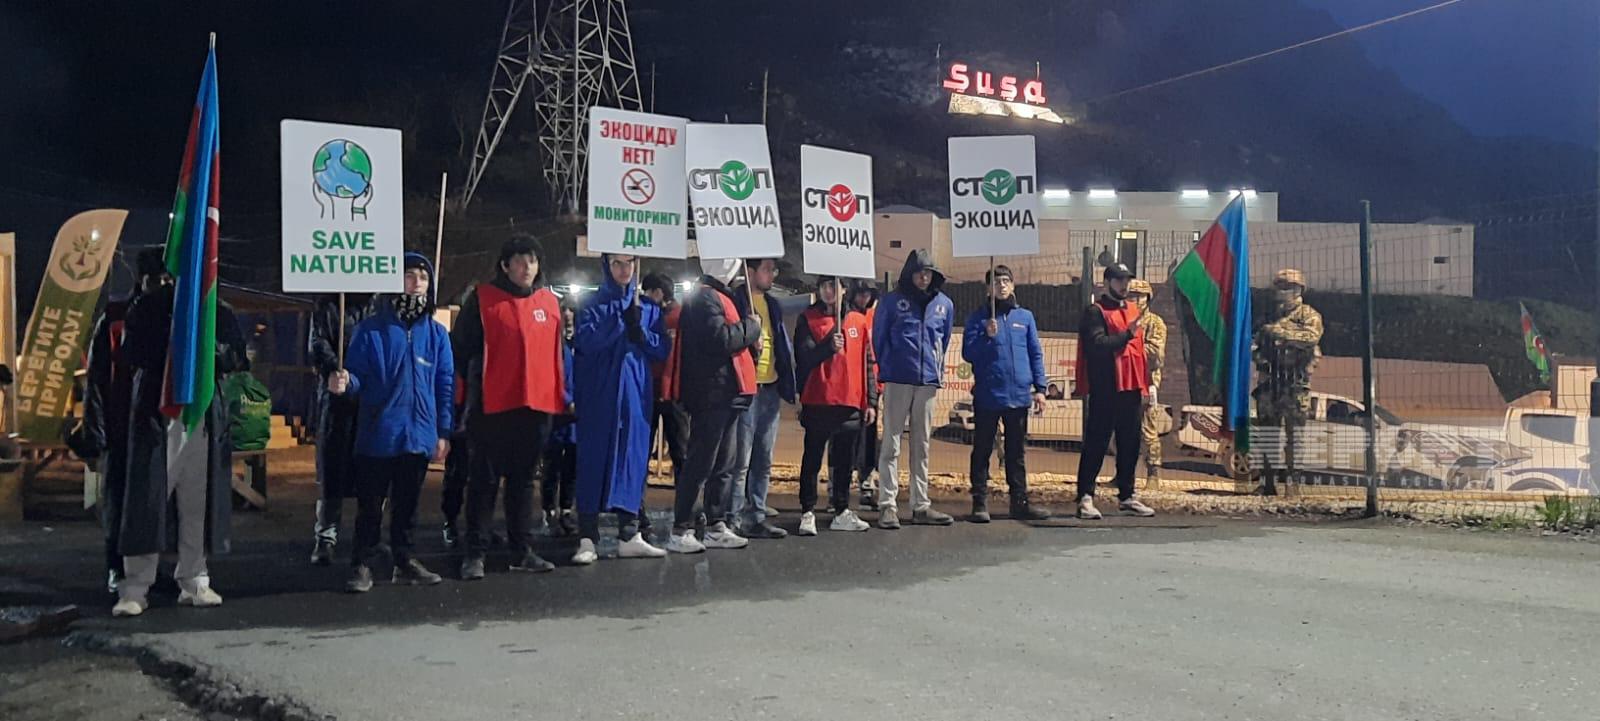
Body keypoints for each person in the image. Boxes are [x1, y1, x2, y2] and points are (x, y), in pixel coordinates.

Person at [112, 277, 248, 617]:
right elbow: (130, 353)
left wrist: (206, 347)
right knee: (148, 500)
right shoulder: (149, 306)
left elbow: (236, 356)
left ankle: (194, 578)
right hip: (158, 414)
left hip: (201, 415)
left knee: (197, 502)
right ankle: (135, 587)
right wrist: (174, 342)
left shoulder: (216, 309)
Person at [327, 253, 454, 592]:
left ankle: (404, 559)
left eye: (423, 277)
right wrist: (344, 382)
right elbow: (357, 378)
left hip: (419, 433)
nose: (416, 283)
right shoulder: (370, 330)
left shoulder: (437, 335)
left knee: (408, 506)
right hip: (379, 432)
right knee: (370, 506)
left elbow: (444, 385)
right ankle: (362, 562)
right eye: (409, 276)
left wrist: (443, 431)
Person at [451, 235, 567, 579]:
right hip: (492, 406)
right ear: (504, 265)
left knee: (523, 482)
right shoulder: (482, 299)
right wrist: (469, 393)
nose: (526, 267)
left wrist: (561, 398)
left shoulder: (550, 303)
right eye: (519, 260)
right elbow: (461, 350)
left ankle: (521, 550)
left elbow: (558, 355)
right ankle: (475, 552)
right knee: (483, 481)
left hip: (536, 406)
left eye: (532, 260)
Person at [570, 254, 672, 563]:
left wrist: (642, 332)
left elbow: (662, 349)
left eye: (630, 262)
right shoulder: (591, 304)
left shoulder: (648, 308)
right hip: (599, 396)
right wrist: (620, 322)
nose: (625, 269)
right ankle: (587, 536)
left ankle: (629, 533)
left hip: (634, 396)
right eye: (617, 263)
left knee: (632, 458)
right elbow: (585, 341)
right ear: (606, 265)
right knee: (593, 461)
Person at [80, 248, 169, 595]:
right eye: (157, 279)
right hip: (121, 423)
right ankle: (116, 567)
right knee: (119, 499)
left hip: (155, 423)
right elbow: (97, 375)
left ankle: (150, 567)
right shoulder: (116, 316)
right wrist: (95, 430)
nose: (163, 286)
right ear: (142, 279)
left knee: (152, 500)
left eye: (168, 280)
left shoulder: (172, 318)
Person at [668, 258, 761, 553]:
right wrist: (751, 328)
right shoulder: (705, 298)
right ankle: (681, 527)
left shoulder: (717, 296)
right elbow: (720, 339)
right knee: (701, 463)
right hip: (711, 393)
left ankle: (715, 524)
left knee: (723, 464)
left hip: (726, 392)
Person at [961, 265, 1052, 523]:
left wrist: (1040, 388)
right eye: (996, 282)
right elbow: (968, 353)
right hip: (988, 395)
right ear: (988, 288)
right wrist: (986, 336)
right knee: (982, 450)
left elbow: (1035, 353)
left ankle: (1019, 503)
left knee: (1016, 454)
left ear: (1012, 285)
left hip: (1019, 397)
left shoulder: (1025, 317)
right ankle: (979, 503)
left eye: (1005, 281)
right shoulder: (978, 318)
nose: (1001, 286)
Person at [873, 250, 956, 529]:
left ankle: (920, 505)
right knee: (891, 443)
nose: (924, 277)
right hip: (898, 379)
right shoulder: (892, 301)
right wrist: (890, 367)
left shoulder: (944, 304)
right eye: (919, 272)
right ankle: (887, 505)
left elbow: (943, 340)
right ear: (909, 273)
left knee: (922, 446)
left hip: (927, 382)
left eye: (928, 272)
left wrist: (933, 368)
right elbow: (879, 338)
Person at [792, 276, 877, 535]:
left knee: (844, 462)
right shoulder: (808, 318)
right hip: (818, 399)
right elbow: (804, 357)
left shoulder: (858, 320)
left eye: (833, 286)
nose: (828, 291)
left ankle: (841, 510)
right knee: (812, 458)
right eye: (824, 286)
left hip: (849, 402)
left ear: (844, 289)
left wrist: (871, 401)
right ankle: (807, 511)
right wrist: (828, 347)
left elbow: (868, 363)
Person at [1073, 263, 1156, 520]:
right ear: (1107, 282)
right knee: (1096, 442)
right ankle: (1085, 496)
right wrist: (1126, 334)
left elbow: (1139, 354)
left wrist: (1147, 384)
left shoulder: (1133, 310)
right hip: (1106, 388)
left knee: (1130, 443)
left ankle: (1127, 496)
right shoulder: (1095, 312)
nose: (1124, 285)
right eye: (1119, 280)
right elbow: (1098, 345)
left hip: (1131, 389)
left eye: (1127, 280)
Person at [728, 257, 796, 538]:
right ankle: (732, 519)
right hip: (746, 387)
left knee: (763, 458)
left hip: (770, 387)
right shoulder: (735, 301)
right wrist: (749, 336)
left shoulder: (773, 305)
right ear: (750, 271)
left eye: (774, 269)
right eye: (767, 269)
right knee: (741, 460)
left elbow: (780, 342)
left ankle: (756, 515)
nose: (772, 275)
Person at [308, 292, 374, 565]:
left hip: (372, 397)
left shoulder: (381, 304)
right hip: (336, 398)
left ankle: (369, 535)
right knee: (332, 468)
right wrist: (333, 370)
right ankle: (326, 536)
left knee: (373, 470)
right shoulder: (328, 305)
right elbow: (318, 343)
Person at [641, 273, 689, 485]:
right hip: (653, 391)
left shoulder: (681, 318)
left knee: (680, 452)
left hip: (673, 393)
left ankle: (685, 501)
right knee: (643, 451)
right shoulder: (648, 316)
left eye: (647, 292)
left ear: (658, 293)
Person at [541, 296, 580, 537]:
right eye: (564, 309)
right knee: (552, 464)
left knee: (572, 465)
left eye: (571, 309)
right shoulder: (551, 342)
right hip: (556, 412)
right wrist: (567, 400)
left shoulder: (581, 342)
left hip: (576, 416)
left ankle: (566, 509)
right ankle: (549, 510)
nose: (568, 314)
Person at [1126, 279, 1168, 487]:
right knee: (1123, 430)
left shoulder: (1155, 323)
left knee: (1148, 429)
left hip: (1146, 382)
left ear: (1147, 298)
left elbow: (1156, 356)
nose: (1135, 300)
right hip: (1125, 380)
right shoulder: (1123, 319)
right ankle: (1124, 474)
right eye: (1131, 295)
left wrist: (1130, 346)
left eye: (1139, 296)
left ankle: (1153, 473)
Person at [850, 281, 881, 511]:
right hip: (850, 387)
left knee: (870, 438)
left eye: (867, 293)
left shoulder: (875, 317)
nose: (864, 297)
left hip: (871, 386)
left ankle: (867, 485)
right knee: (845, 437)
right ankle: (837, 488)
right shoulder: (845, 316)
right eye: (860, 293)